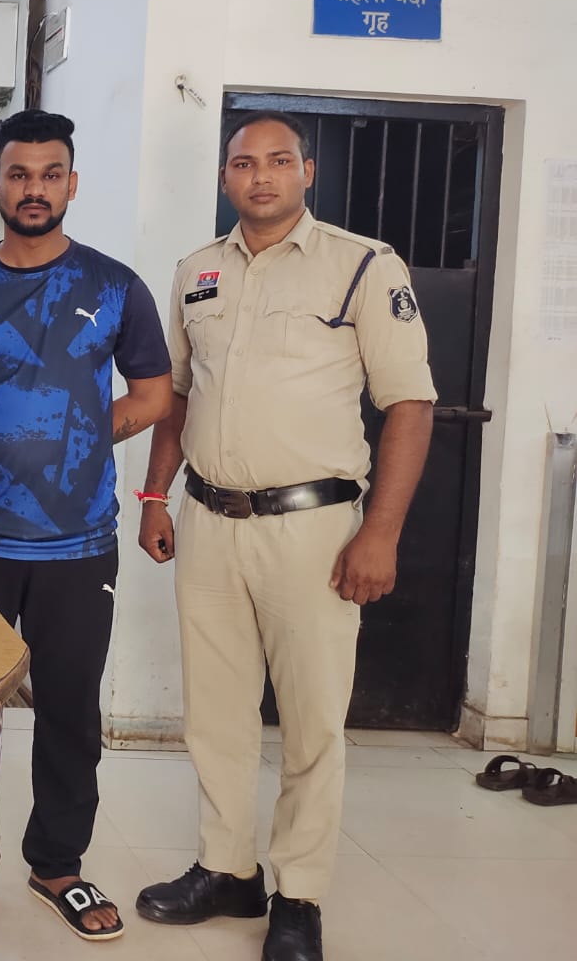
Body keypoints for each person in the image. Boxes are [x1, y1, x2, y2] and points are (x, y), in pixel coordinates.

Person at [134, 111, 436, 961]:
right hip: (208, 519)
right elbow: (177, 394)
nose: (259, 176)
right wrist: (154, 496)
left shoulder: (362, 265)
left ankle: (297, 893)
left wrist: (379, 533)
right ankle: (226, 869)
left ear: (307, 172)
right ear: (224, 177)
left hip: (313, 528)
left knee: (311, 720)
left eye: (277, 161)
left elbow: (409, 404)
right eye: (242, 163)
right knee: (214, 714)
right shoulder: (195, 271)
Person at [0, 109, 173, 943]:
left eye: (50, 174)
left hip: (78, 543)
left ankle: (56, 863)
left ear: (71, 183)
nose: (34, 189)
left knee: (69, 709)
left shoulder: (114, 285)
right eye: (18, 175)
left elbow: (153, 394)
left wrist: (81, 435)